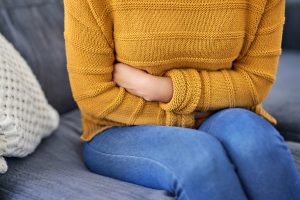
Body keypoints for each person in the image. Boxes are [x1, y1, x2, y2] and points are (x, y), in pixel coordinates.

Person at [63, 0, 300, 199]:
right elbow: (94, 94)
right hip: (119, 127)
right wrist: (189, 118)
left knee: (256, 141)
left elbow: (254, 82)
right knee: (198, 156)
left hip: (219, 113)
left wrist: (163, 89)